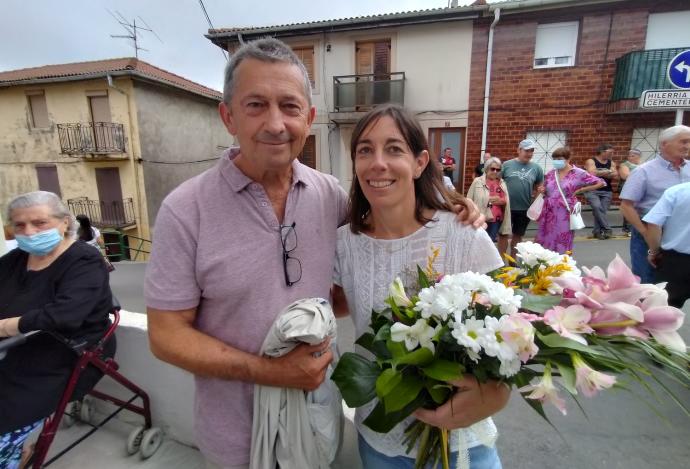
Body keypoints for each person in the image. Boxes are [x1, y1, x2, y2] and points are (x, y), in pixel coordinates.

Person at [143, 38, 484, 469]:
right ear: (227, 116)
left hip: (320, 425)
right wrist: (268, 370)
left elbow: (367, 263)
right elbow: (165, 334)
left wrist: (449, 204)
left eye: (289, 106)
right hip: (236, 442)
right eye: (255, 105)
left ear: (309, 117)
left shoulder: (328, 195)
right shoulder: (185, 209)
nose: (275, 123)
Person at [332, 104, 508, 469]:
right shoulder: (344, 245)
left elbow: (510, 337)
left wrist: (495, 394)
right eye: (365, 150)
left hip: (462, 445)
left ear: (419, 161)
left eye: (394, 149)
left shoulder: (462, 235)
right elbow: (332, 303)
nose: (377, 163)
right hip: (380, 442)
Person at [0, 191, 113, 468]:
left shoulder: (84, 260)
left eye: (39, 223)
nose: (29, 231)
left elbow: (66, 315)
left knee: (6, 420)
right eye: (20, 225)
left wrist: (6, 326)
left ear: (64, 223)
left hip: (67, 351)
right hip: (15, 347)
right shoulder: (14, 260)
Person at [620, 125, 690, 284]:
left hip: (682, 235)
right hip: (650, 231)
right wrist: (644, 232)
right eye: (683, 142)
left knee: (674, 284)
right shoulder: (644, 171)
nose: (687, 146)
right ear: (665, 143)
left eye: (689, 142)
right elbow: (626, 206)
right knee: (647, 282)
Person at [534, 147, 604, 254]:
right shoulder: (551, 173)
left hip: (565, 211)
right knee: (547, 238)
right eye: (555, 159)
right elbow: (547, 189)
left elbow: (599, 182)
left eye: (560, 158)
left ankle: (562, 264)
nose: (557, 161)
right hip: (549, 211)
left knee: (562, 237)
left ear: (568, 159)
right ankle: (546, 265)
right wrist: (542, 190)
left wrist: (581, 190)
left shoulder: (578, 173)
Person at [643, 182, 690, 308]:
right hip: (678, 259)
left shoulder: (676, 191)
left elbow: (654, 224)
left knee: (661, 311)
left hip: (677, 262)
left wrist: (653, 251)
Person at [499, 139, 544, 260]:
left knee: (518, 236)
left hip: (524, 208)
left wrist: (538, 194)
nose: (529, 154)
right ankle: (501, 262)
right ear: (518, 150)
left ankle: (513, 261)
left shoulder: (537, 168)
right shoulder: (506, 165)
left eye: (531, 151)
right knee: (503, 235)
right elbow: (497, 182)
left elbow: (540, 186)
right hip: (506, 207)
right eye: (526, 150)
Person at [467, 156, 511, 242]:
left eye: (498, 170)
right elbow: (469, 199)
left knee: (489, 242)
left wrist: (499, 200)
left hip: (496, 219)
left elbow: (505, 200)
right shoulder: (477, 181)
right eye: (492, 169)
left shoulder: (502, 183)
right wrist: (490, 198)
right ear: (487, 169)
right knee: (477, 241)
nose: (495, 171)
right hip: (479, 218)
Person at [584, 144, 618, 240]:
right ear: (602, 151)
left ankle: (597, 232)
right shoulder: (591, 161)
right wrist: (608, 172)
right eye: (610, 152)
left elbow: (615, 175)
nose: (612, 154)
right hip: (592, 189)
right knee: (597, 207)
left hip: (607, 190)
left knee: (601, 211)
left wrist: (600, 172)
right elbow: (592, 173)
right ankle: (607, 229)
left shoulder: (611, 162)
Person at [618, 149, 642, 236]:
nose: (630, 157)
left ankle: (636, 228)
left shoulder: (643, 165)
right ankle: (627, 229)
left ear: (638, 157)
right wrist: (642, 177)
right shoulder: (625, 164)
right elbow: (625, 176)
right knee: (629, 207)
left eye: (633, 156)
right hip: (628, 187)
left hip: (640, 188)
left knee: (638, 208)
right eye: (629, 155)